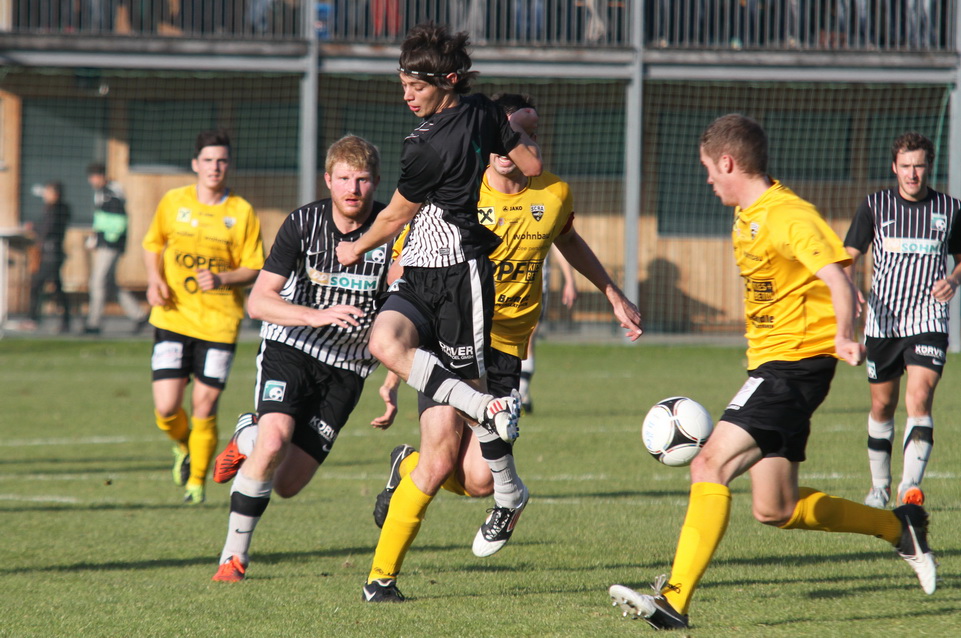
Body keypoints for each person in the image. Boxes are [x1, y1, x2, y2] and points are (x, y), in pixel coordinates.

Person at [608, 114, 937, 631]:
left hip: (794, 366)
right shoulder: (748, 215)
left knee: (708, 464)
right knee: (775, 507)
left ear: (727, 162)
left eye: (708, 169)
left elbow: (838, 279)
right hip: (775, 366)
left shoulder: (788, 215)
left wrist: (843, 335)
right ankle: (899, 527)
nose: (707, 179)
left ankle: (673, 600)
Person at [364, 93, 642, 600]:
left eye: (527, 134)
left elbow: (569, 241)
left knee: (476, 481)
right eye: (507, 132)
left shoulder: (554, 193)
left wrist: (612, 294)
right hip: (450, 337)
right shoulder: (455, 191)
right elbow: (411, 279)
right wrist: (394, 370)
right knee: (438, 461)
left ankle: (405, 464)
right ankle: (380, 580)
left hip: (506, 347)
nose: (512, 143)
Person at [334, 23, 543, 603]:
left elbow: (394, 216)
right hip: (419, 277)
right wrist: (514, 136)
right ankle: (380, 581)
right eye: (402, 83)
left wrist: (354, 248)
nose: (407, 94)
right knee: (384, 343)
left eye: (416, 85)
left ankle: (508, 491)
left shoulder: (425, 146)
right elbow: (527, 162)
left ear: (447, 80)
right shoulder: (479, 110)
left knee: (462, 470)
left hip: (461, 282)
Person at [208, 135, 396, 582]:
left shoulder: (394, 231)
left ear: (376, 182)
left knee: (288, 484)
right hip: (291, 346)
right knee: (275, 440)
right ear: (328, 180)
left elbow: (403, 312)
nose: (353, 189)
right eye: (344, 178)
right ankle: (233, 558)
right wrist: (315, 315)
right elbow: (259, 302)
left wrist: (393, 379)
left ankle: (246, 436)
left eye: (362, 179)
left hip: (348, 368)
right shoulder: (303, 223)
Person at [142, 129, 264, 505]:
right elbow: (153, 243)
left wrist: (223, 278)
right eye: (208, 160)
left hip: (219, 324)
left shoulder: (241, 212)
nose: (215, 167)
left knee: (205, 406)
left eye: (222, 160)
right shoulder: (173, 201)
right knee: (166, 408)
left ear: (229, 165)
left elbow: (254, 267)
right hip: (173, 317)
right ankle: (184, 444)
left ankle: (195, 484)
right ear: (195, 164)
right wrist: (154, 280)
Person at [843, 132, 961, 510]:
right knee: (883, 405)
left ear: (929, 167)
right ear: (894, 167)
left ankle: (909, 488)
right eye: (906, 166)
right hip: (883, 321)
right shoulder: (875, 206)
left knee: (920, 396)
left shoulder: (950, 209)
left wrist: (954, 279)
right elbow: (848, 257)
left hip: (928, 318)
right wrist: (850, 287)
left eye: (919, 166)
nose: (912, 174)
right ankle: (879, 487)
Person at [83, 163, 148, 335]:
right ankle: (139, 315)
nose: (92, 181)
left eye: (93, 177)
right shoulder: (102, 192)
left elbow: (117, 222)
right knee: (110, 284)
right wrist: (95, 238)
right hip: (105, 243)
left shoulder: (111, 193)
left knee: (97, 282)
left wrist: (104, 238)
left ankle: (94, 323)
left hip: (110, 244)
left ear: (100, 176)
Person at [26, 181, 72, 334]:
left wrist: (34, 227)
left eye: (47, 192)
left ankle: (33, 319)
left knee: (37, 285)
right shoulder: (57, 209)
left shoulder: (56, 210)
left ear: (55, 194)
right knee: (57, 288)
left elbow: (47, 229)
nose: (45, 195)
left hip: (51, 254)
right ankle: (65, 321)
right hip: (52, 253)